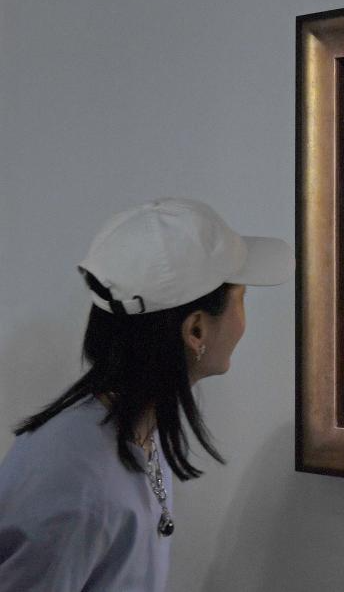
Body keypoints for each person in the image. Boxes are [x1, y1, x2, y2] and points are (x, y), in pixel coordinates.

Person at [0, 198, 293, 591]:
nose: (243, 322)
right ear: (196, 331)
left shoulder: (134, 427)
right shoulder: (76, 483)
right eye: (241, 300)